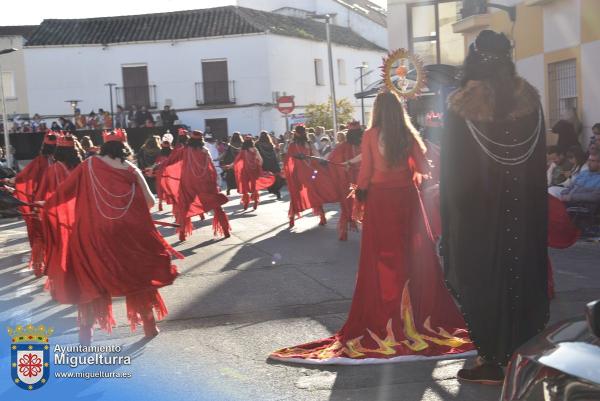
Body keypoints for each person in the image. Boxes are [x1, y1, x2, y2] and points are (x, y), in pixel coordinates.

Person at [271, 92, 473, 364]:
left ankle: (388, 314)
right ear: (400, 110)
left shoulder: (370, 135)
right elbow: (423, 168)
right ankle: (417, 314)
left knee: (381, 259)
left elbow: (365, 173)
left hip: (381, 200)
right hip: (408, 200)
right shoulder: (408, 134)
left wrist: (360, 199)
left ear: (376, 110)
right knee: (414, 255)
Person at [440, 30, 548, 383]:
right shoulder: (530, 102)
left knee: (482, 277)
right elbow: (537, 164)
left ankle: (491, 360)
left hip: (478, 215)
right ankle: (519, 354)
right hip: (524, 210)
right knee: (522, 274)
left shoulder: (460, 106)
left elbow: (454, 172)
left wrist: (451, 223)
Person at [42, 129, 179, 345]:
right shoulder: (131, 169)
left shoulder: (87, 166)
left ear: (104, 147)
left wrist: (46, 205)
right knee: (138, 279)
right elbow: (150, 202)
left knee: (90, 283)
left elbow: (64, 193)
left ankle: (85, 337)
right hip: (128, 235)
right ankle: (149, 327)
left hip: (92, 235)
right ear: (124, 147)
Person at [161, 130, 231, 241]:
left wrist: (159, 168)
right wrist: (215, 180)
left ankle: (182, 234)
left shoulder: (184, 151)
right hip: (205, 182)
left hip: (188, 182)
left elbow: (171, 161)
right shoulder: (205, 151)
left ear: (191, 140)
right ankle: (226, 231)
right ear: (201, 140)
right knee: (216, 204)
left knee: (185, 207)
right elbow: (211, 167)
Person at [35, 134, 81, 278]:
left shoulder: (53, 169)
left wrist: (39, 207)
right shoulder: (82, 168)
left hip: (58, 212)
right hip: (79, 212)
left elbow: (41, 191)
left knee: (60, 245)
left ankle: (63, 273)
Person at [13, 131, 57, 276]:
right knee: (54, 236)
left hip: (40, 203)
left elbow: (24, 177)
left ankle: (39, 267)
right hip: (56, 203)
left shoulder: (39, 161)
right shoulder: (61, 163)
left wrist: (11, 182)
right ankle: (52, 265)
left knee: (39, 235)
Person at [284, 125, 338, 228]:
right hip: (312, 173)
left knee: (296, 194)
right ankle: (322, 217)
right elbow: (317, 155)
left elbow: (288, 160)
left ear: (296, 133)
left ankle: (292, 219)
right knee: (314, 191)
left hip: (298, 174)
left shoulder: (292, 145)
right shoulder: (309, 143)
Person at [329, 121, 363, 240]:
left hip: (349, 180)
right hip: (363, 178)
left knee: (347, 203)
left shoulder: (342, 146)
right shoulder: (365, 145)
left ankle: (344, 232)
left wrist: (345, 166)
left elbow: (333, 161)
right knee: (363, 202)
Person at [233, 136, 275, 210]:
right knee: (254, 186)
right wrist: (259, 167)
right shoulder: (255, 149)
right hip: (254, 170)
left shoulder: (242, 151)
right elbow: (261, 160)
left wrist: (230, 166)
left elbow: (237, 161)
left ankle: (246, 203)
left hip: (245, 171)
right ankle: (255, 201)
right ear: (252, 142)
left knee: (245, 187)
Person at [256, 131, 284, 200]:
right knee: (275, 178)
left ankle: (257, 194)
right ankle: (276, 191)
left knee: (262, 178)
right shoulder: (270, 144)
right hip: (272, 163)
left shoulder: (257, 144)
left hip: (263, 163)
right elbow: (275, 154)